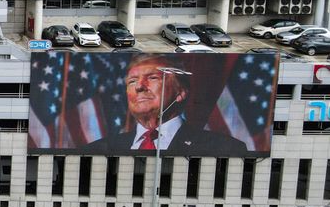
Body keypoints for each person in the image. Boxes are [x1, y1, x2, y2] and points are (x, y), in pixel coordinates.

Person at [86, 55, 247, 155]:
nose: (139, 86)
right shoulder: (97, 149)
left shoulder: (224, 148)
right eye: (132, 81)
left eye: (153, 77)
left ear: (180, 92)